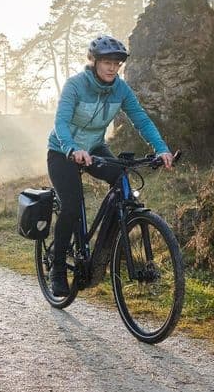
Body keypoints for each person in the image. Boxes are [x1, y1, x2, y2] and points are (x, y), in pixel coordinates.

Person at [47, 34, 174, 296]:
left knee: (122, 179)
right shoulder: (75, 86)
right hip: (62, 151)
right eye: (106, 61)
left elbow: (141, 119)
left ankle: (109, 249)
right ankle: (57, 269)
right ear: (93, 61)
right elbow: (60, 123)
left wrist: (160, 148)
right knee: (71, 205)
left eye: (117, 63)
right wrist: (72, 148)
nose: (112, 67)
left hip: (94, 148)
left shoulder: (121, 89)